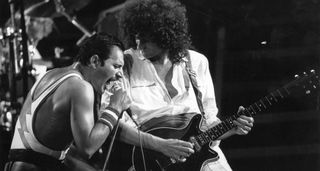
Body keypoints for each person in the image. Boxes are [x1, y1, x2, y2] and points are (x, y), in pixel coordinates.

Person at [117, 0, 255, 170]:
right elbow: (116, 126)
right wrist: (161, 145)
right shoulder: (123, 63)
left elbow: (208, 122)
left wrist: (232, 127)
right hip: (150, 160)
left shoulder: (197, 62)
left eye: (146, 38)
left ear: (164, 33)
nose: (139, 44)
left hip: (202, 158)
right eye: (136, 36)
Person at [4, 33, 131, 171]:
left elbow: (51, 151)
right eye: (116, 66)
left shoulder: (48, 75)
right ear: (94, 61)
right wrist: (114, 107)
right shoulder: (81, 87)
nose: (120, 75)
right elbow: (88, 148)